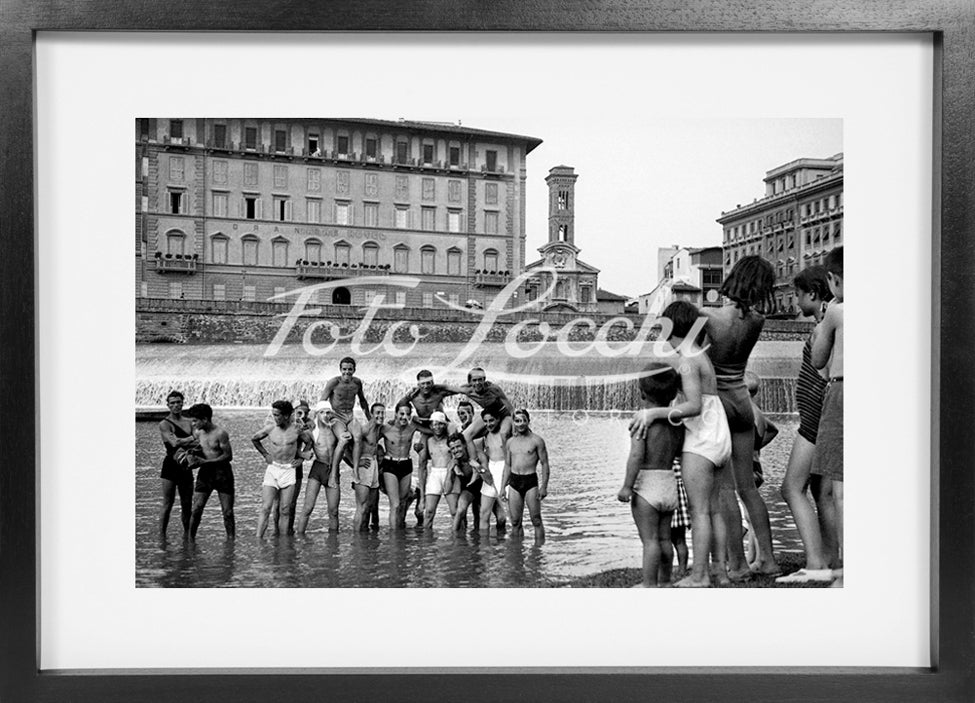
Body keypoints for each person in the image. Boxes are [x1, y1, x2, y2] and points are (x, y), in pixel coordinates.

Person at [630, 301, 733, 587]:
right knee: (713, 509)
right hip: (718, 433)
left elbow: (694, 406)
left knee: (700, 510)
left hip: (702, 437)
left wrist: (654, 412)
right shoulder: (700, 354)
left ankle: (700, 576)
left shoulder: (687, 358)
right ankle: (720, 573)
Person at [702, 254, 780, 578]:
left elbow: (689, 357)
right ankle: (769, 560)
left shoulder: (708, 317)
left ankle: (738, 565)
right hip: (742, 402)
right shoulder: (758, 320)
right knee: (748, 487)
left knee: (723, 490)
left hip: (718, 404)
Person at [776, 265, 839, 584]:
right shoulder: (828, 321)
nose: (796, 302)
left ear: (813, 294)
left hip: (815, 419)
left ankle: (815, 564)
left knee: (791, 488)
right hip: (819, 417)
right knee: (820, 491)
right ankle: (831, 560)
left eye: (799, 295)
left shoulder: (823, 327)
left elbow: (824, 372)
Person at [618, 363, 684, 587]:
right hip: (668, 482)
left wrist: (627, 486)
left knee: (650, 540)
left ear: (642, 392)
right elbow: (678, 452)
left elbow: (636, 456)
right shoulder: (676, 421)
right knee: (665, 538)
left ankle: (649, 584)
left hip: (647, 486)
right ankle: (665, 581)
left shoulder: (642, 421)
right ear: (674, 393)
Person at [810, 246, 844, 588]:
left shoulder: (837, 312)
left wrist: (826, 318)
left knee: (839, 488)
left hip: (841, 390)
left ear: (833, 280)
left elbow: (819, 359)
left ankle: (843, 570)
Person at [252, 400, 314, 539]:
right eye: (273, 414)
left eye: (277, 415)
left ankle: (283, 543)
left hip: (288, 470)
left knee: (285, 509)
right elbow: (254, 439)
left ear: (286, 416)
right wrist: (265, 454)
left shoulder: (297, 429)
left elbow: (309, 442)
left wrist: (301, 458)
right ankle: (258, 540)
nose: (275, 418)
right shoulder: (270, 428)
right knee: (266, 507)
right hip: (273, 469)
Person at [296, 401, 350, 534]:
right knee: (307, 508)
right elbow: (293, 444)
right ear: (317, 414)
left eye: (327, 412)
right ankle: (298, 538)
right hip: (318, 468)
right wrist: (302, 455)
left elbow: (344, 443)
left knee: (334, 511)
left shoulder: (335, 428)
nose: (325, 415)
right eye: (322, 413)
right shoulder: (312, 431)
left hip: (333, 469)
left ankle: (333, 545)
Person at [184, 403, 235, 541]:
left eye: (195, 420)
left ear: (205, 419)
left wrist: (205, 462)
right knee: (196, 509)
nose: (193, 424)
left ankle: (231, 543)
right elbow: (195, 448)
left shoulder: (220, 433)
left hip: (223, 473)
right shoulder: (198, 432)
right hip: (205, 473)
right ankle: (190, 541)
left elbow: (228, 456)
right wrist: (190, 457)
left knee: (228, 512)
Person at [500, 409, 550, 545]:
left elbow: (545, 464)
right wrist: (502, 487)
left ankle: (538, 552)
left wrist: (544, 487)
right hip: (514, 482)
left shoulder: (537, 441)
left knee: (536, 519)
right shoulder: (510, 442)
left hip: (530, 482)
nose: (520, 424)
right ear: (514, 423)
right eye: (517, 421)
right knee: (515, 522)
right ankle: (517, 552)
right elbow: (508, 466)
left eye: (523, 420)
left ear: (528, 421)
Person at [157, 390, 199, 541]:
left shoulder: (189, 421)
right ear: (168, 405)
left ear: (183, 403)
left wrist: (184, 440)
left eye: (178, 402)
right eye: (172, 403)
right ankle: (162, 536)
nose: (176, 405)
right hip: (170, 466)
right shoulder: (164, 424)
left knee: (187, 503)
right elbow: (174, 443)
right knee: (167, 503)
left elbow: (199, 440)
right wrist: (191, 438)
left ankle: (188, 536)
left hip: (185, 465)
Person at [321, 356, 371, 478]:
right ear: (340, 369)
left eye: (350, 369)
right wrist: (323, 420)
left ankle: (355, 469)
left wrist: (370, 419)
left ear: (354, 370)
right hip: (336, 416)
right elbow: (322, 401)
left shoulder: (357, 382)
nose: (347, 372)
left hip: (350, 415)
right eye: (344, 369)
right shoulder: (334, 382)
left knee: (358, 437)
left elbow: (363, 401)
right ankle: (334, 471)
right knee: (344, 439)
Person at [379, 402, 421, 528]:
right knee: (395, 504)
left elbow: (431, 430)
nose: (404, 417)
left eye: (407, 414)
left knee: (403, 502)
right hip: (390, 464)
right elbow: (370, 440)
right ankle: (393, 537)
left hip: (406, 464)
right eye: (401, 414)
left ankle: (400, 533)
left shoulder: (412, 427)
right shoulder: (386, 428)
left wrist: (421, 444)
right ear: (395, 414)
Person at [474, 408, 508, 534]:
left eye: (491, 420)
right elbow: (466, 436)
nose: (489, 424)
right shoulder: (485, 434)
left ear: (498, 419)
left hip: (504, 468)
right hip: (490, 468)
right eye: (486, 421)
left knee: (512, 514)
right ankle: (484, 547)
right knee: (484, 512)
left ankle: (513, 548)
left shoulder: (505, 432)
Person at [420, 411, 457, 528]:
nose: (438, 427)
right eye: (435, 424)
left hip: (449, 472)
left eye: (440, 424)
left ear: (445, 425)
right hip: (435, 473)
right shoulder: (428, 440)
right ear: (430, 426)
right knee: (429, 512)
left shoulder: (450, 438)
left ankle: (460, 542)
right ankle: (426, 543)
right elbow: (422, 464)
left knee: (455, 512)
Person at [351, 403, 384, 532]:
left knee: (370, 505)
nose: (380, 415)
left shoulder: (378, 429)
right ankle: (357, 537)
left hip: (373, 463)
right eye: (377, 413)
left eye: (382, 412)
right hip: (364, 465)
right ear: (371, 414)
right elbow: (348, 445)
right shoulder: (365, 429)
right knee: (362, 506)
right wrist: (356, 464)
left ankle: (364, 536)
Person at [397, 370, 459, 436]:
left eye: (428, 383)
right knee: (422, 445)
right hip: (426, 427)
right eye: (423, 383)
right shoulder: (413, 396)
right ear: (418, 384)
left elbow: (460, 389)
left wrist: (442, 386)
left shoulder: (438, 393)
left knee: (453, 431)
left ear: (432, 383)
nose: (426, 386)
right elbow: (399, 406)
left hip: (442, 424)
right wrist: (412, 417)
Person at [446, 433, 484, 532]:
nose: (456, 450)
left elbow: (488, 476)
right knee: (460, 510)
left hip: (484, 486)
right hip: (469, 489)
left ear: (464, 445)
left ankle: (479, 540)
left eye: (458, 446)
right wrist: (450, 471)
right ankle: (455, 538)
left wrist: (479, 468)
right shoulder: (454, 463)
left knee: (499, 518)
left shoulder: (477, 455)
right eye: (453, 448)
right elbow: (447, 490)